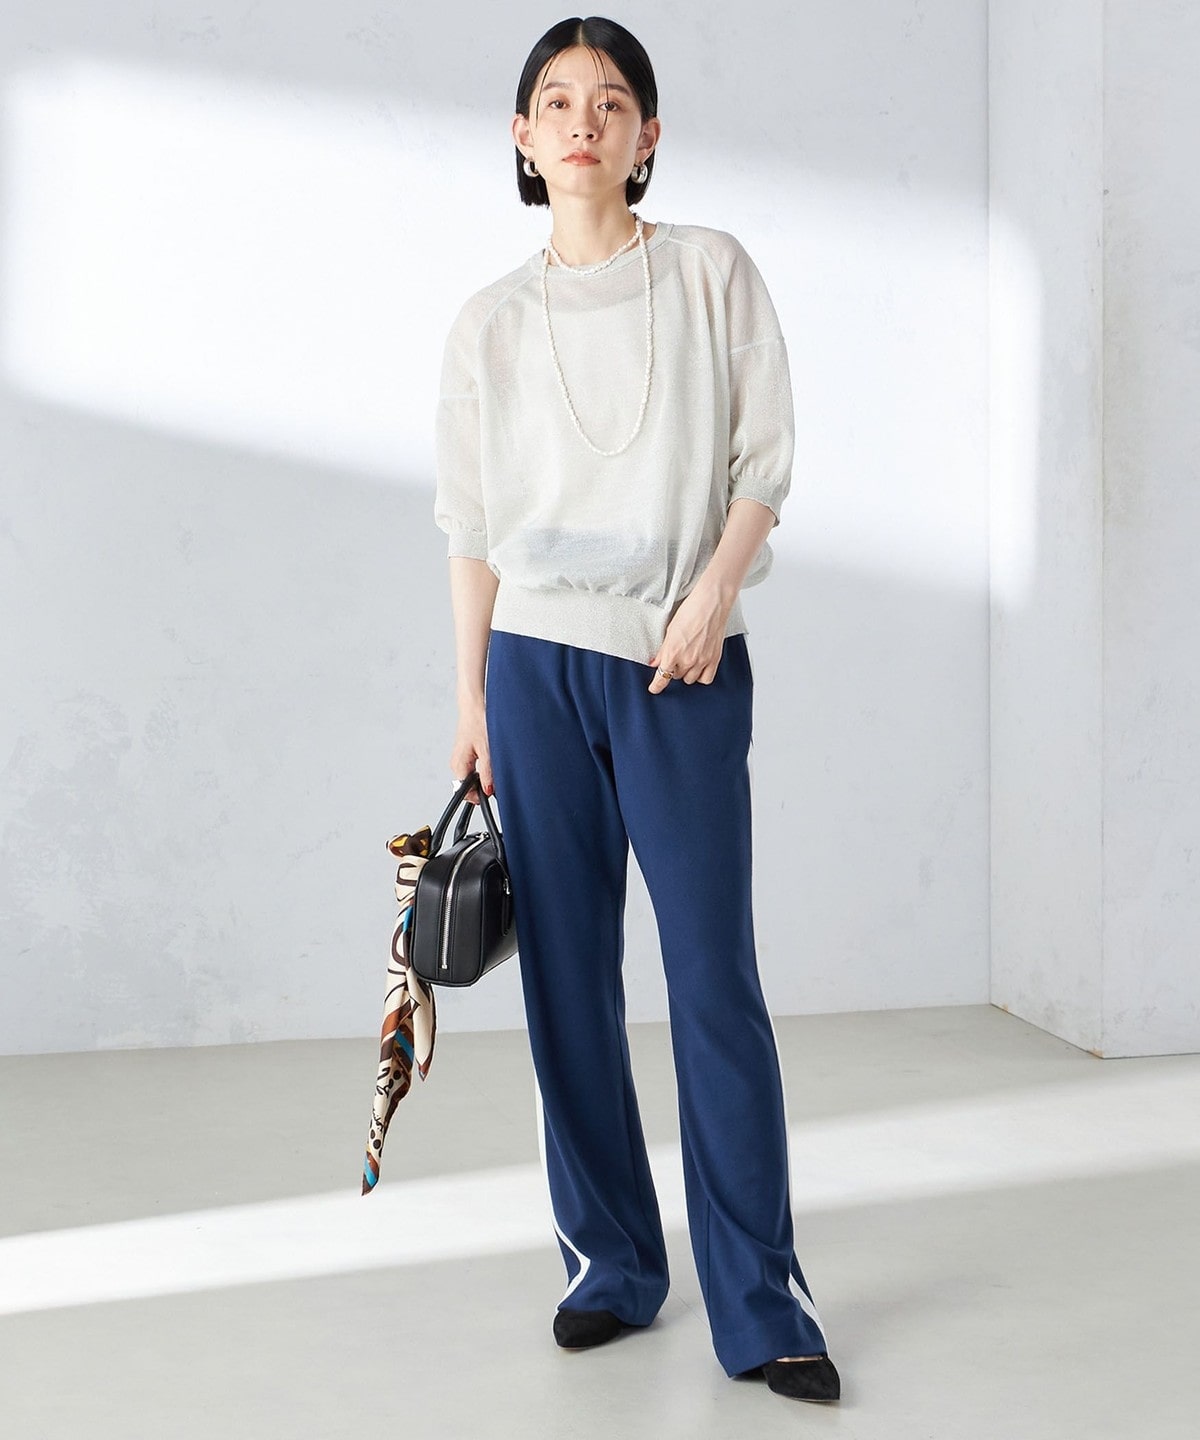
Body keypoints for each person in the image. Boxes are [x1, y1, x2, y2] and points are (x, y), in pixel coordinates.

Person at [433, 15, 841, 1407]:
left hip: (681, 663)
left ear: (648, 135)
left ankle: (761, 1302)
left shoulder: (711, 273)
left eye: (611, 102)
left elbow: (763, 464)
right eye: (557, 102)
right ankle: (610, 1261)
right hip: (534, 669)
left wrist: (714, 594)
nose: (583, 122)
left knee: (713, 979)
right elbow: (471, 529)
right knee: (567, 983)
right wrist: (473, 698)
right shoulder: (489, 323)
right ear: (523, 138)